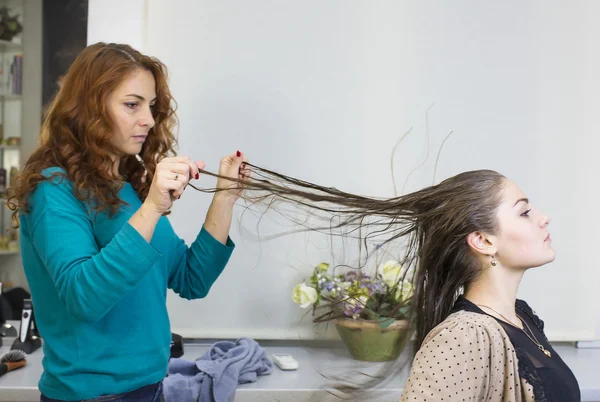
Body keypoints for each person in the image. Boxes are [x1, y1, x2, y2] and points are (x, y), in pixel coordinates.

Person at [197, 166, 581, 401]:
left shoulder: (521, 319)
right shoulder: (465, 336)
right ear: (483, 241)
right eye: (525, 212)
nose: (543, 218)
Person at [6, 42, 248, 402]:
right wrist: (151, 207)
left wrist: (225, 195)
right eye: (132, 104)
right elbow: (83, 296)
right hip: (89, 396)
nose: (149, 119)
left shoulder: (129, 187)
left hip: (150, 389)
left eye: (150, 106)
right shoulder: (53, 188)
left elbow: (191, 279)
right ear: (89, 107)